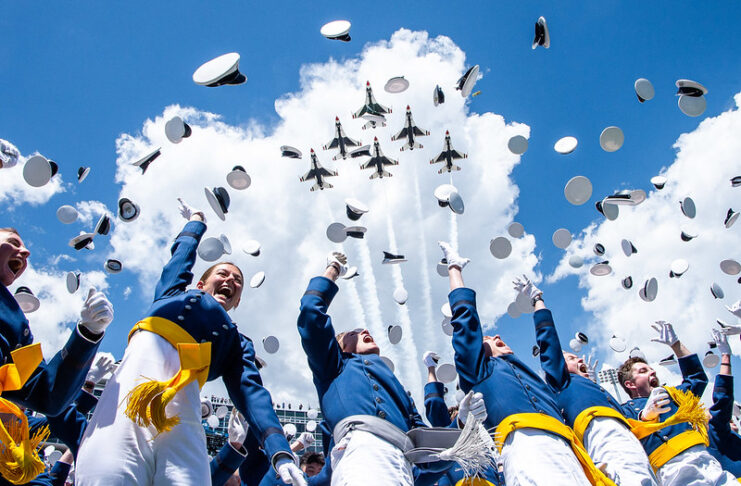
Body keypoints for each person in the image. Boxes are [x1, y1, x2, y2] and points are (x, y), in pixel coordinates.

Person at [76, 201, 304, 486]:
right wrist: (197, 221)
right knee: (110, 475)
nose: (230, 280)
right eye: (223, 274)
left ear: (239, 300)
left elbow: (252, 394)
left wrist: (279, 450)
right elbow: (181, 256)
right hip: (128, 398)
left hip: (182, 414)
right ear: (199, 285)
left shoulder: (237, 343)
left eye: (238, 281)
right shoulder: (171, 294)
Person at [296, 251, 484, 486]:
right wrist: (332, 269)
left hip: (401, 468)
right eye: (355, 333)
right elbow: (311, 315)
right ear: (340, 348)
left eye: (366, 330)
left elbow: (430, 456)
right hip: (359, 456)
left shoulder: (400, 393)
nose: (365, 331)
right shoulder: (333, 366)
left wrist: (462, 424)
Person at [438, 241, 611, 486]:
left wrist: (538, 299)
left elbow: (550, 348)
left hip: (569, 452)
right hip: (527, 451)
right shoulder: (479, 374)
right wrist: (454, 268)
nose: (498, 337)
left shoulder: (531, 377)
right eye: (489, 339)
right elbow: (465, 323)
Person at [514, 275, 658, 485]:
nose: (580, 358)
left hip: (629, 441)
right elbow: (549, 340)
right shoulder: (561, 382)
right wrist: (537, 300)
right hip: (603, 438)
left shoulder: (598, 391)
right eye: (571, 358)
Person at [0, 227, 113, 484]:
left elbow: (44, 394)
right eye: (13, 242)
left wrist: (87, 334)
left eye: (26, 251)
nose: (26, 252)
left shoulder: (16, 324)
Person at [618, 321, 736, 485]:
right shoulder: (624, 411)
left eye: (651, 368)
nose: (652, 371)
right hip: (674, 472)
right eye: (643, 371)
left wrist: (676, 345)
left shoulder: (672, 395)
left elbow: (697, 379)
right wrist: (644, 417)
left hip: (709, 463)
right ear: (630, 384)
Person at [419, 352, 501, 486]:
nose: (466, 418)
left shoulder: (485, 434)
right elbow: (434, 402)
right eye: (459, 414)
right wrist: (431, 368)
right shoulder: (451, 435)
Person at [706, 330, 741, 478]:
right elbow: (723, 398)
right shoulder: (716, 436)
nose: (730, 421)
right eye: (728, 419)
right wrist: (726, 356)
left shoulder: (736, 441)